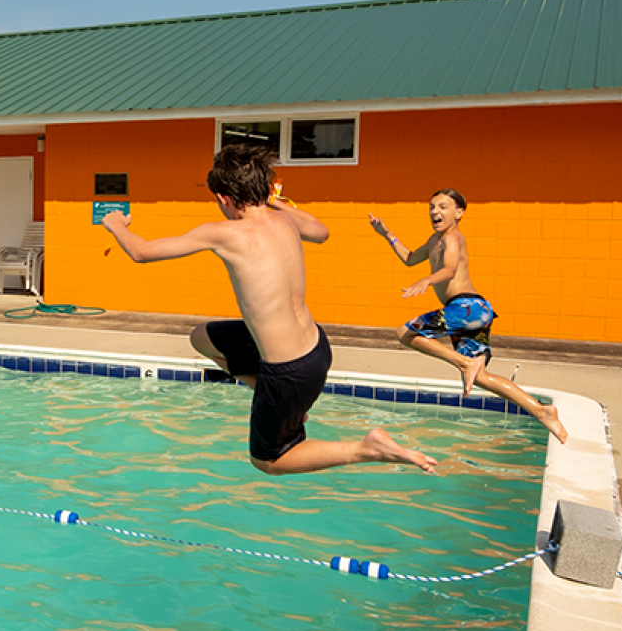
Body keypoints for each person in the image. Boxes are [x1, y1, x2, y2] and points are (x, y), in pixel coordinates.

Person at [102, 144, 437, 475]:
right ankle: (273, 398)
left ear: (223, 198)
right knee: (202, 338)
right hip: (317, 350)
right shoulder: (286, 222)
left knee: (268, 461)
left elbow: (142, 252)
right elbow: (322, 231)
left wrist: (116, 224)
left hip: (289, 370)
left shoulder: (223, 232)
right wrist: (275, 201)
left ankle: (365, 449)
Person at [368, 190, 568, 444]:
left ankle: (463, 362)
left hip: (466, 307)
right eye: (431, 207)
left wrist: (427, 280)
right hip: (476, 310)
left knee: (405, 333)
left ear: (459, 213)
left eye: (442, 207)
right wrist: (386, 234)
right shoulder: (434, 240)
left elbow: (450, 269)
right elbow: (409, 259)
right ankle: (542, 411)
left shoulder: (454, 238)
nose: (435, 212)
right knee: (481, 377)